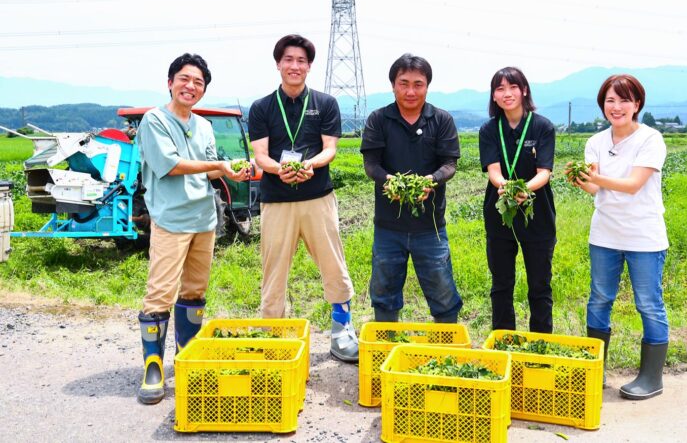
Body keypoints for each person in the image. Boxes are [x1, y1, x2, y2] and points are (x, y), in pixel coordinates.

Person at [135, 53, 249, 405]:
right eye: (184, 79)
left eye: (198, 82)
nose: (191, 86)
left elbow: (208, 171)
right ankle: (153, 367)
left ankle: (187, 354)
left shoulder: (204, 125)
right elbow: (169, 166)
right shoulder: (154, 121)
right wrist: (218, 164)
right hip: (171, 219)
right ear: (170, 82)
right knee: (160, 293)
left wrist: (231, 170)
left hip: (204, 219)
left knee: (195, 292)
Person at [249, 34, 358, 363]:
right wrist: (279, 169)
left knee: (332, 261)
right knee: (274, 267)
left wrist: (310, 164)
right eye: (288, 60)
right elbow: (260, 155)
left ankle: (342, 329)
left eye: (301, 61)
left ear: (309, 66)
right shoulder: (261, 107)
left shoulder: (325, 104)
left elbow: (330, 149)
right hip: (276, 199)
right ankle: (272, 332)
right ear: (278, 65)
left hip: (317, 196)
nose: (294, 66)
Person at [572, 74, 669, 400]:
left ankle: (651, 377)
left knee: (648, 304)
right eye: (610, 101)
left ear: (637, 104)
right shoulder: (596, 142)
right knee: (599, 299)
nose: (617, 107)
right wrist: (580, 179)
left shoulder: (650, 139)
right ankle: (594, 370)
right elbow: (594, 187)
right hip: (605, 234)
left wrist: (596, 177)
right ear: (603, 105)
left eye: (624, 100)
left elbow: (632, 185)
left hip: (644, 236)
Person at [360, 54, 463, 323]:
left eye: (418, 84)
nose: (410, 91)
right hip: (387, 226)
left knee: (442, 292)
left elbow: (449, 164)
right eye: (403, 83)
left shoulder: (441, 119)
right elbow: (371, 164)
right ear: (393, 85)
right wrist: (390, 181)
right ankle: (386, 344)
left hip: (430, 226)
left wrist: (431, 180)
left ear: (427, 86)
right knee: (384, 292)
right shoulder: (378, 120)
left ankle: (447, 347)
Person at [478, 67, 556, 334]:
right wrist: (506, 188)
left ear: (524, 90)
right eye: (500, 89)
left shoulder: (542, 126)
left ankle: (540, 345)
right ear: (494, 96)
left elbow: (544, 173)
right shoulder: (489, 129)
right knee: (501, 285)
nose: (507, 93)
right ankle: (504, 343)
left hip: (538, 216)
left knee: (540, 286)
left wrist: (524, 191)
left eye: (513, 87)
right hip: (500, 214)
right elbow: (493, 171)